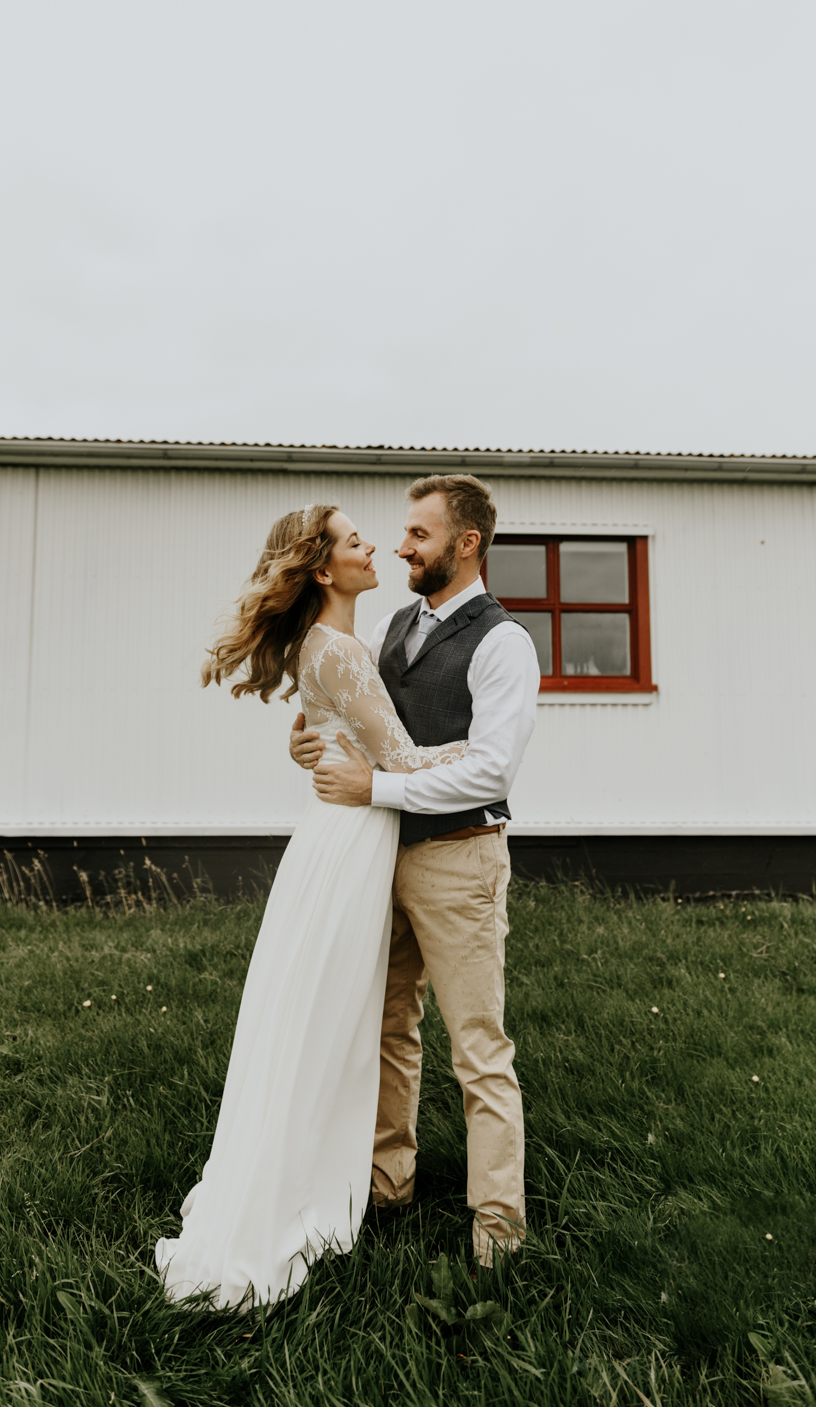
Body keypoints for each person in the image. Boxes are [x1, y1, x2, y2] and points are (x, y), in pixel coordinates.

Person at [156, 503, 470, 1310]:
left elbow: (339, 739)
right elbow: (398, 759)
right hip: (348, 846)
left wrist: (314, 745)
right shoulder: (339, 652)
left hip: (344, 838)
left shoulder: (331, 646)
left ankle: (314, 1171)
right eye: (356, 540)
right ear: (323, 569)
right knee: (324, 1025)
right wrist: (491, 749)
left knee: (321, 1022)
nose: (374, 547)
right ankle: (290, 1196)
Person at [289, 474, 539, 1269]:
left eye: (418, 536)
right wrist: (312, 745)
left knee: (478, 1047)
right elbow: (365, 726)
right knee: (389, 1029)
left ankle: (497, 1229)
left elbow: (489, 772)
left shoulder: (504, 644)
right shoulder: (394, 623)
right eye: (400, 534)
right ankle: (386, 1186)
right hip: (377, 859)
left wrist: (378, 786)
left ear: (465, 545)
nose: (400, 546)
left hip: (459, 858)